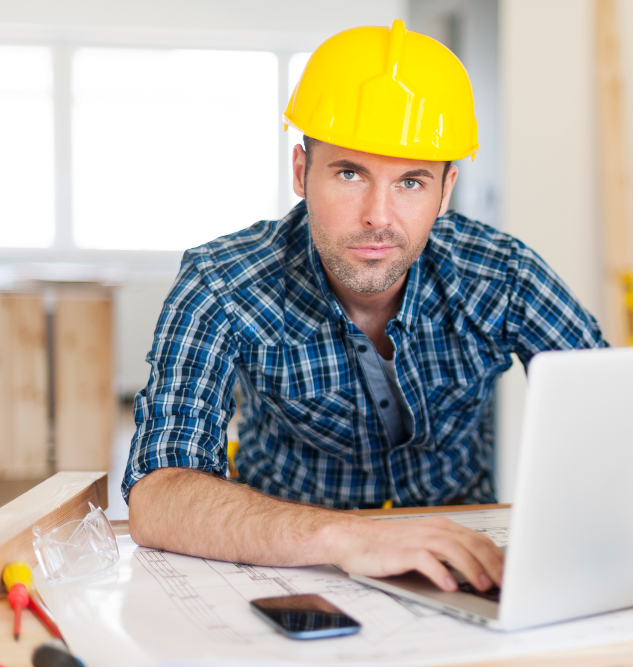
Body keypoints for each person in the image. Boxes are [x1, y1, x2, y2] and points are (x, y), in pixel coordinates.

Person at [124, 20, 606, 595]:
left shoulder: (502, 274)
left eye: (411, 182)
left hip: (463, 571)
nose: (379, 216)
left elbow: (617, 424)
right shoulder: (223, 282)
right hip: (293, 568)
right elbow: (157, 495)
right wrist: (345, 538)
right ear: (301, 171)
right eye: (350, 173)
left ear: (447, 189)